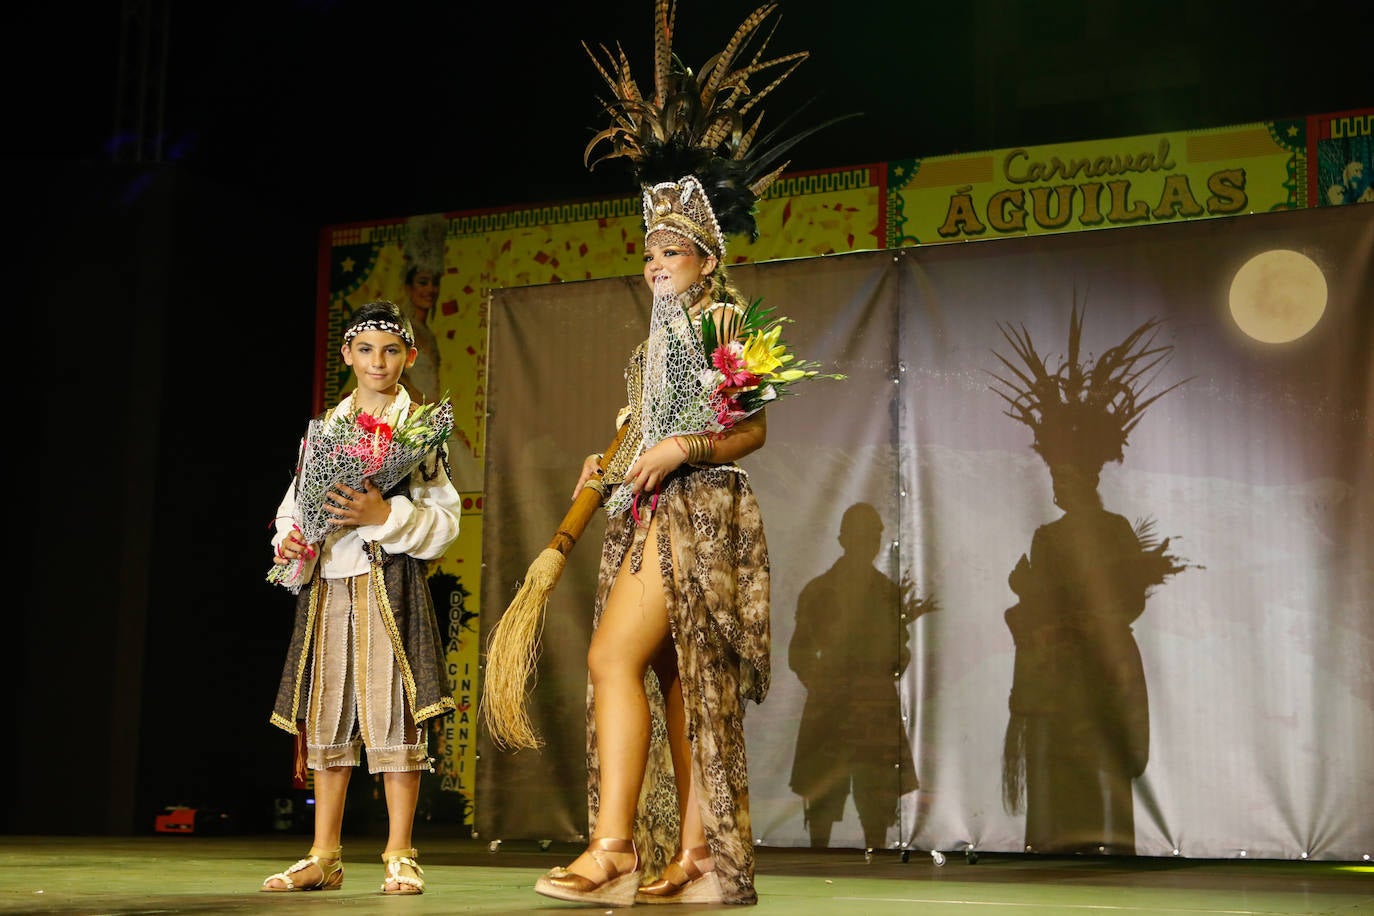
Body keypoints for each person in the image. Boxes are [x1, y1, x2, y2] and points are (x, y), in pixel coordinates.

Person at [526, 4, 840, 906]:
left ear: (707, 258)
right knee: (676, 683)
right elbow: (641, 423)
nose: (656, 260)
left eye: (673, 249)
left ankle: (614, 844)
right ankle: (697, 855)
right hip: (644, 509)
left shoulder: (722, 323)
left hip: (699, 513)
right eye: (650, 248)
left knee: (610, 663)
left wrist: (678, 446)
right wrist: (613, 455)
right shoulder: (650, 346)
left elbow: (751, 431)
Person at [261, 299, 461, 895]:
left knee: (392, 709)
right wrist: (291, 538)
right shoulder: (324, 431)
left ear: (410, 357)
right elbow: (294, 505)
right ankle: (324, 853)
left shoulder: (418, 432)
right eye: (367, 350)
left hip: (387, 584)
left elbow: (444, 520)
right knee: (327, 711)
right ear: (347, 355)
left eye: (392, 350)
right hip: (329, 586)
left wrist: (383, 514)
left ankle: (400, 850)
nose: (379, 361)